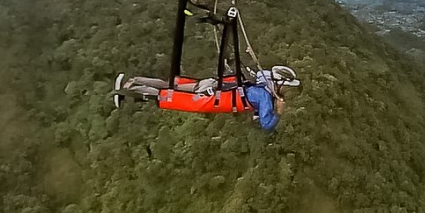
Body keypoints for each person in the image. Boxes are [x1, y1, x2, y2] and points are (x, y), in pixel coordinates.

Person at [115, 66, 299, 132]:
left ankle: (133, 81)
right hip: (211, 98)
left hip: (213, 86)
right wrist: (279, 113)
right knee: (164, 97)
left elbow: (256, 113)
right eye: (286, 87)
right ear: (279, 83)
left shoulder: (260, 84)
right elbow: (266, 125)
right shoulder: (265, 96)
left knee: (169, 86)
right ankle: (126, 91)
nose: (285, 92)